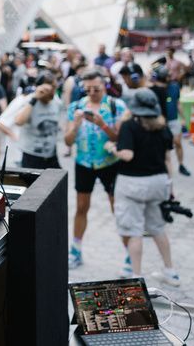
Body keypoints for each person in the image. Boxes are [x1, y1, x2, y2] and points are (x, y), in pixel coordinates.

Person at [107, 89, 179, 286]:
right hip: (159, 182)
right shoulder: (164, 128)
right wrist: (170, 186)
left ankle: (136, 276)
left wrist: (113, 149)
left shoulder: (130, 126)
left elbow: (128, 155)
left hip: (132, 184)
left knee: (134, 231)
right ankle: (170, 271)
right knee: (157, 228)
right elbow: (167, 159)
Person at [65, 70, 128, 270]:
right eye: (87, 88)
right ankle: (75, 250)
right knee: (81, 206)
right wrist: (75, 126)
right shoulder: (76, 107)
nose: (91, 92)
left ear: (105, 86)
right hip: (83, 163)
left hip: (109, 163)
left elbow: (118, 138)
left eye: (96, 88)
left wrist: (101, 124)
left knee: (116, 207)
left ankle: (129, 253)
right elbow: (67, 141)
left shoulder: (116, 106)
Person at [14, 71, 63, 169]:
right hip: (31, 156)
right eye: (49, 87)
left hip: (51, 155)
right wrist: (35, 98)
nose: (52, 91)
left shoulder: (56, 102)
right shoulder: (28, 100)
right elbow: (18, 121)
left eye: (54, 87)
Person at [150, 66, 190, 176]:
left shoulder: (174, 87)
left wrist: (183, 119)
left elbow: (177, 103)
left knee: (177, 142)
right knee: (162, 147)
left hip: (173, 120)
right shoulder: (155, 89)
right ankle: (164, 167)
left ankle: (181, 165)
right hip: (160, 122)